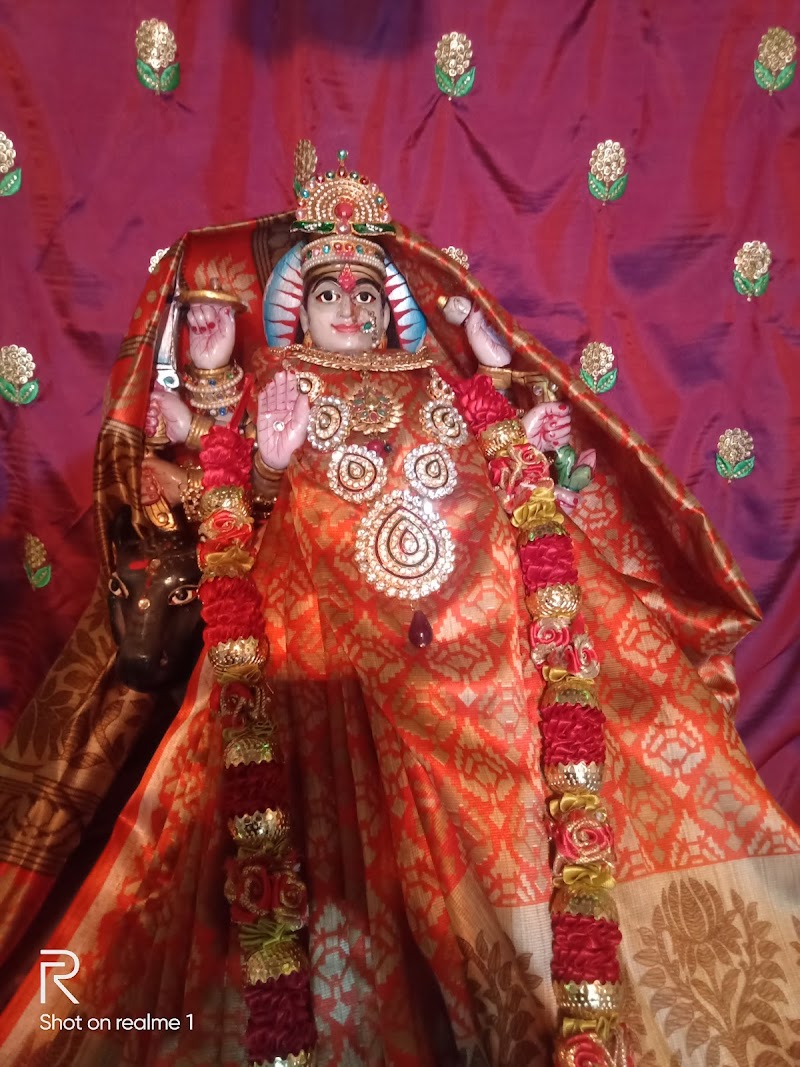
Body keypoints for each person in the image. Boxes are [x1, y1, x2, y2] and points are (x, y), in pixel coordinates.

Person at [1, 149, 798, 1067]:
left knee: (607, 694)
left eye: (368, 293)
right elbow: (224, 513)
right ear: (297, 309)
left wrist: (514, 416)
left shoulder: (435, 379)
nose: (352, 308)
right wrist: (257, 443)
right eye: (328, 291)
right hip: (336, 626)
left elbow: (498, 476)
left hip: (479, 618)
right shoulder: (277, 381)